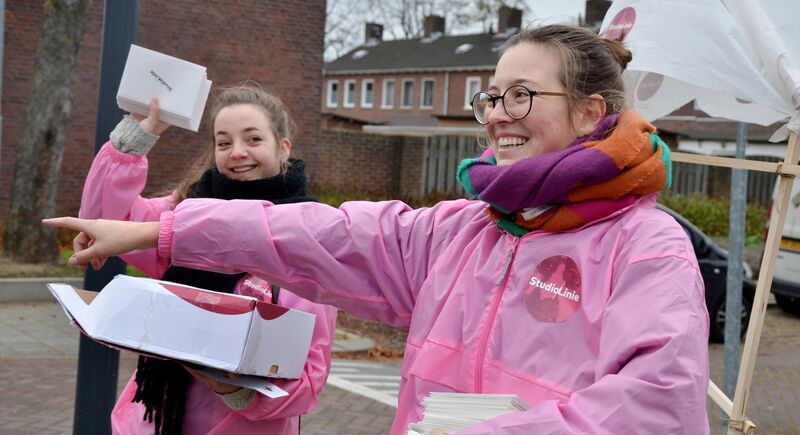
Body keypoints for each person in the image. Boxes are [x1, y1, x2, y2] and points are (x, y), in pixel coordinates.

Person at [47, 25, 710, 434]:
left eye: (522, 95)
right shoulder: (460, 231)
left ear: (592, 110)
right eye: (492, 95)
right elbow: (314, 235)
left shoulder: (645, 247)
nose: (498, 115)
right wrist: (155, 234)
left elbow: (656, 408)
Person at [76, 83, 337, 435]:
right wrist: (138, 134)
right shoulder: (184, 210)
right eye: (224, 142)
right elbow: (108, 221)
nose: (238, 152)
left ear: (283, 147)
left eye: (254, 139)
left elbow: (308, 373)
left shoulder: (309, 235)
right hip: (151, 421)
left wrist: (234, 390)